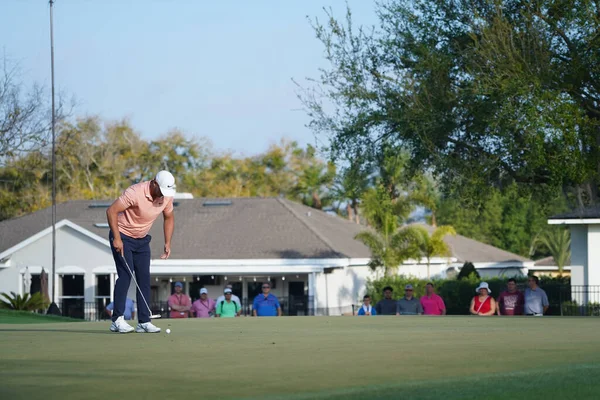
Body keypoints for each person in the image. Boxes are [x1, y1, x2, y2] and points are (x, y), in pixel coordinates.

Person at [106, 170, 176, 333]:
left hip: (142, 240)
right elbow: (111, 211)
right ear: (153, 183)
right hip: (123, 236)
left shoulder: (166, 196)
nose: (162, 196)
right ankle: (117, 320)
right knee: (125, 275)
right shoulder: (135, 192)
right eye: (160, 191)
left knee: (144, 278)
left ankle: (144, 321)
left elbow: (169, 217)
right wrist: (116, 238)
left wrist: (167, 242)